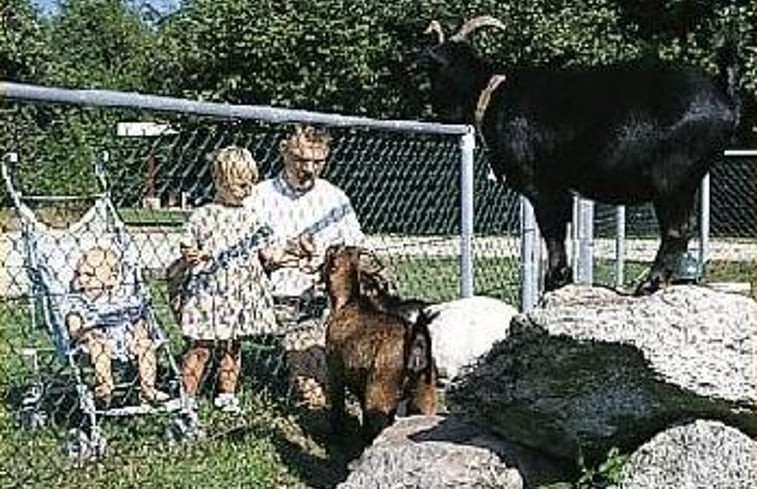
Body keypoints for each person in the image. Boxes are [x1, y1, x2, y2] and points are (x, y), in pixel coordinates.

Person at [244, 125, 365, 408]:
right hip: (279, 299)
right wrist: (280, 254)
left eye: (318, 162)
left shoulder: (334, 198)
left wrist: (330, 263)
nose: (309, 169)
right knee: (314, 395)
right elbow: (242, 255)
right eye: (301, 160)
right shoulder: (259, 198)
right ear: (284, 151)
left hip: (330, 297)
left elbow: (358, 247)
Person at [178, 146, 278, 414]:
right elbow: (187, 245)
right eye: (240, 183)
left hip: (238, 293)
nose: (248, 189)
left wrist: (287, 254)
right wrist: (192, 254)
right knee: (200, 347)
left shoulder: (252, 217)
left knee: (232, 347)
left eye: (251, 183)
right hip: (209, 292)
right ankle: (186, 396)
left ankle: (227, 393)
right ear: (221, 180)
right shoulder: (204, 215)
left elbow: (266, 251)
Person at [65, 244, 169, 407]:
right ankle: (105, 385)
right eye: (78, 274)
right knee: (99, 346)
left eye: (90, 275)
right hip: (94, 344)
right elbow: (74, 329)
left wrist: (139, 332)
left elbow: (136, 319)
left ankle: (148, 388)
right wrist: (87, 332)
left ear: (112, 279)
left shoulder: (122, 300)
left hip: (126, 341)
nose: (82, 279)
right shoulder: (78, 303)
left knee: (146, 345)